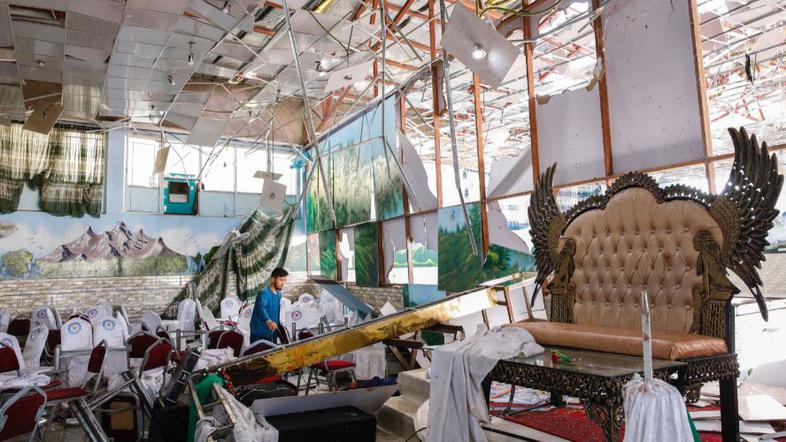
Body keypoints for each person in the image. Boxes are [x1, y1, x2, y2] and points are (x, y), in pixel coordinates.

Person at [250, 267, 288, 344]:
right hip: (259, 332)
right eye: (281, 280)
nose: (283, 283)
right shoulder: (264, 293)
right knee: (259, 351)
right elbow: (261, 307)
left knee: (273, 350)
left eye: (284, 280)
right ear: (273, 279)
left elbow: (276, 312)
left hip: (272, 332)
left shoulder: (279, 295)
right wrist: (269, 321)